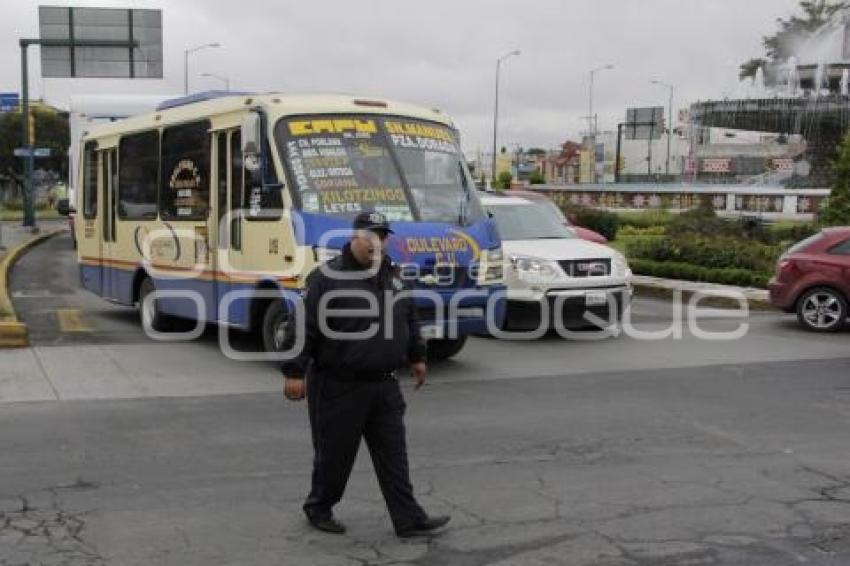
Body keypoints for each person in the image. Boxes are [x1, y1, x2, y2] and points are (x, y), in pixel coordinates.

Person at [281, 211, 450, 538]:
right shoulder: (326, 277)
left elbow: (409, 318)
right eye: (369, 236)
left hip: (384, 385)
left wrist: (417, 356)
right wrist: (294, 372)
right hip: (339, 385)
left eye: (382, 236)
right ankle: (319, 507)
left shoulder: (394, 275)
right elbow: (303, 326)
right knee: (334, 455)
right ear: (353, 238)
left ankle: (408, 518)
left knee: (394, 455)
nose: (376, 242)